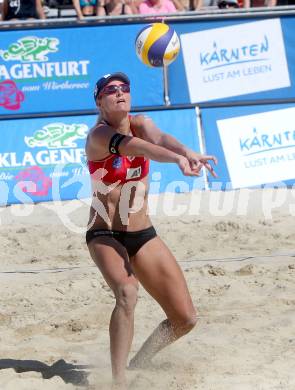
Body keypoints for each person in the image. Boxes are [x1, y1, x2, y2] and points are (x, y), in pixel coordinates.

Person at [85, 72, 217, 389]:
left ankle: (140, 362)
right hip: (105, 233)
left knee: (184, 319)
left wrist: (187, 151)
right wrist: (177, 160)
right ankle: (118, 382)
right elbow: (140, 148)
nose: (120, 93)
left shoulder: (141, 122)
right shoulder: (99, 136)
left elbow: (158, 138)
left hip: (143, 234)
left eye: (124, 88)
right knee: (128, 294)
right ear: (99, 100)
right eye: (111, 90)